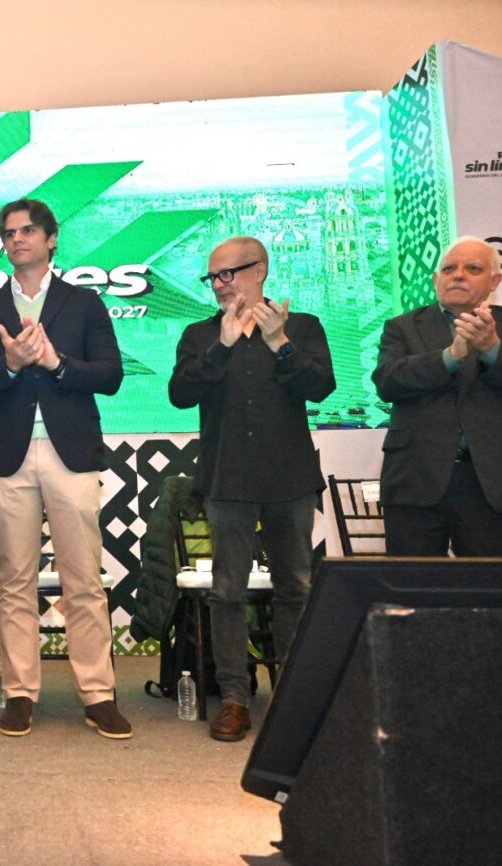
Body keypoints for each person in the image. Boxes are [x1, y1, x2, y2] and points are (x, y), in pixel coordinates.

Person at [0, 198, 128, 739]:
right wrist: (10, 364)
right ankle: (19, 693)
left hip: (70, 453)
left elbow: (110, 375)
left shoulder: (84, 303)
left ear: (51, 238)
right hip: (8, 455)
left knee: (84, 580)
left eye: (28, 230)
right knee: (15, 580)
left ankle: (98, 694)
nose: (18, 239)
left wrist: (56, 364)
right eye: (9, 233)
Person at [169, 236, 334, 742]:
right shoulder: (200, 334)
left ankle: (294, 696)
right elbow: (180, 394)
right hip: (227, 481)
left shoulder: (301, 327)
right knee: (227, 592)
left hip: (289, 480)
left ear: (259, 270)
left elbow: (320, 387)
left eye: (229, 273)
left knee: (295, 588)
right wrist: (221, 345)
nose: (220, 284)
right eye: (213, 277)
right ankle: (235, 697)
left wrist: (280, 343)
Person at [373, 236, 502, 556]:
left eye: (473, 268)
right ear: (435, 280)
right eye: (449, 268)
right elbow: (387, 382)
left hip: (494, 482)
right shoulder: (402, 327)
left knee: (489, 585)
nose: (458, 275)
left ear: (495, 281)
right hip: (416, 478)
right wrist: (450, 357)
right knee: (413, 584)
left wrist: (492, 350)